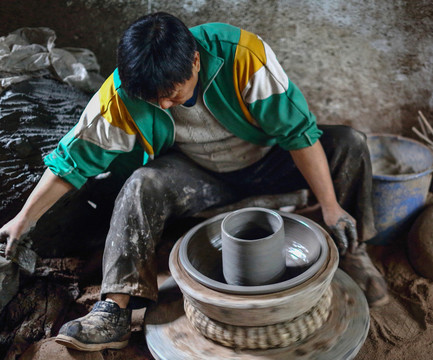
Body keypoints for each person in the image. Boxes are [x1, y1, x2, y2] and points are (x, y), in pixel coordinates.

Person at [0, 12, 388, 352]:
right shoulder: (122, 93)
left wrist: (331, 206)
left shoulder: (244, 57)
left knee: (349, 143)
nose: (165, 105)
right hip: (199, 174)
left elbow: (298, 134)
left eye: (172, 95)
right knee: (141, 182)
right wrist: (23, 219)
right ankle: (115, 310)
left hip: (270, 159)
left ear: (196, 61)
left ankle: (353, 249)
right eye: (154, 101)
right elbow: (72, 160)